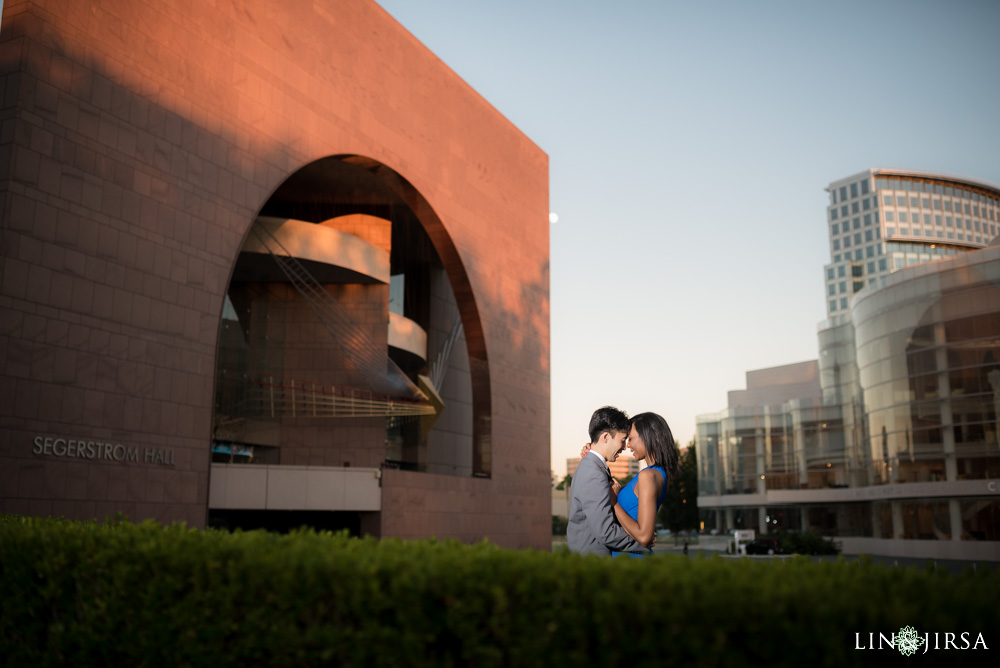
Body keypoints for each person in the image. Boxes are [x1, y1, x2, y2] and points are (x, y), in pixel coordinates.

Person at [582, 411, 679, 558]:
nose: (628, 445)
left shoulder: (648, 476)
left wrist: (614, 503)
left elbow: (644, 537)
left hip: (632, 561)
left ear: (647, 437)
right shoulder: (657, 473)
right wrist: (594, 450)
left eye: (631, 438)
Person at [567, 406, 648, 556]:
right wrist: (642, 543)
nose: (625, 447)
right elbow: (605, 532)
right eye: (623, 440)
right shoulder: (593, 473)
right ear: (605, 437)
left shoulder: (592, 466)